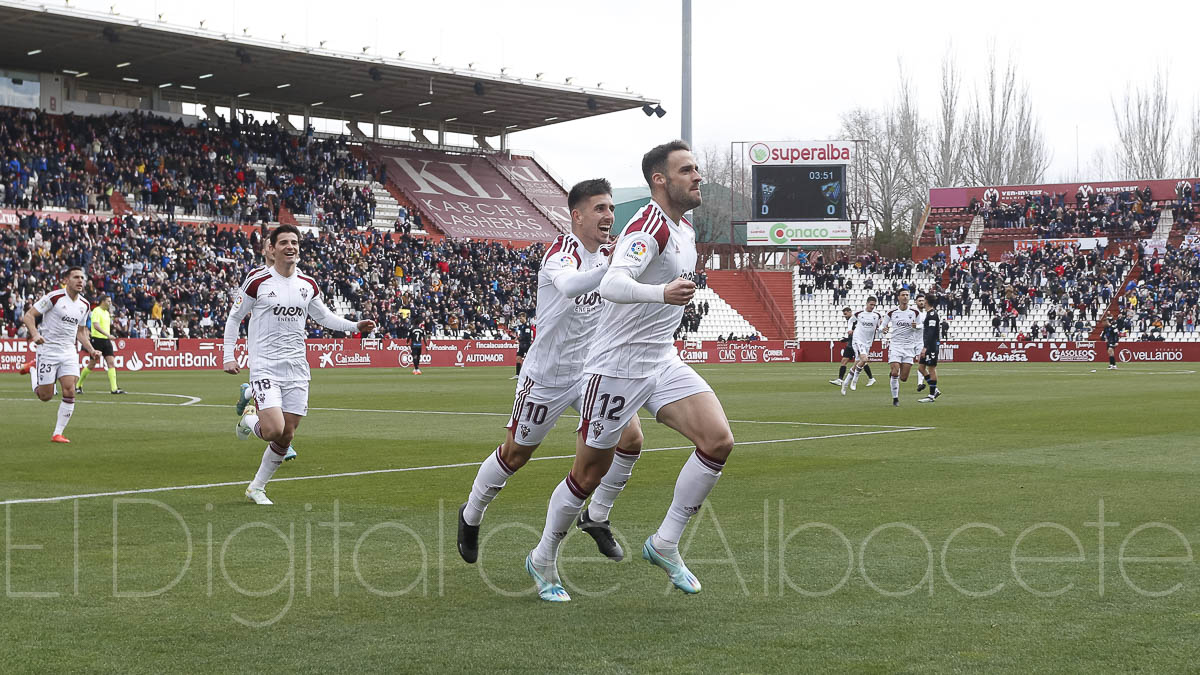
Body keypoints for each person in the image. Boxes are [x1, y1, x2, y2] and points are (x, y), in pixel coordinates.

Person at [526, 141, 735, 602]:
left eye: (696, 168)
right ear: (660, 180)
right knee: (587, 473)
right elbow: (616, 283)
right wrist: (661, 294)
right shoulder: (647, 225)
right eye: (687, 170)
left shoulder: (685, 230)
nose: (697, 176)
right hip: (615, 366)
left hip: (660, 357)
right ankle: (542, 557)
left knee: (717, 441)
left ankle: (664, 543)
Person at [457, 178, 644, 567]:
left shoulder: (609, 255)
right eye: (599, 208)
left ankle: (597, 516)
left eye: (611, 208)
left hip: (593, 371)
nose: (608, 215)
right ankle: (471, 514)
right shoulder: (562, 252)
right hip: (548, 375)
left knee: (631, 438)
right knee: (516, 454)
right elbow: (572, 285)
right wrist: (609, 268)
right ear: (576, 216)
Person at [222, 224, 376, 505]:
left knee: (287, 434)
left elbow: (325, 317)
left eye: (294, 242)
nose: (290, 246)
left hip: (296, 368)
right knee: (273, 429)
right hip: (265, 366)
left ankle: (257, 487)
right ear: (273, 248)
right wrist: (228, 356)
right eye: (284, 242)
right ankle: (249, 417)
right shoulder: (257, 281)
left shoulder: (308, 285)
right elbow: (234, 319)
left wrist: (355, 325)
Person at [21, 267, 101, 443]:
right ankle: (33, 369)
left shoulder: (85, 305)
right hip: (48, 350)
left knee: (69, 390)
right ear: (67, 279)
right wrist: (35, 335)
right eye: (76, 277)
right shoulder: (54, 297)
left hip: (69, 351)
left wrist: (91, 349)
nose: (80, 281)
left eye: (82, 277)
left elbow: (80, 332)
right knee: (46, 396)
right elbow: (29, 316)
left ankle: (58, 433)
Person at [880, 289, 922, 406]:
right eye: (903, 295)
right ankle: (895, 399)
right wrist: (883, 329)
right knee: (895, 372)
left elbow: (921, 326)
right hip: (896, 345)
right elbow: (882, 326)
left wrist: (916, 326)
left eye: (907, 295)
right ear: (898, 297)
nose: (905, 297)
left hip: (909, 347)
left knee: (903, 378)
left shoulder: (915, 312)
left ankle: (894, 373)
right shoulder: (892, 312)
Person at [77, 294, 125, 395]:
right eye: (108, 301)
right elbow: (96, 326)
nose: (110, 303)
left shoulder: (107, 313)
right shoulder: (96, 311)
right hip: (97, 340)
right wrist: (108, 335)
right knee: (92, 364)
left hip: (106, 341)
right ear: (102, 301)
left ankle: (114, 388)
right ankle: (78, 385)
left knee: (111, 362)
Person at [840, 296, 882, 395]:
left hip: (868, 341)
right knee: (864, 359)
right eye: (871, 304)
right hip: (858, 339)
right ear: (867, 304)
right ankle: (854, 381)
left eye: (874, 305)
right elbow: (850, 320)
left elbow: (880, 327)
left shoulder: (877, 315)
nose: (872, 307)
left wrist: (883, 330)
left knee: (858, 363)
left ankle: (845, 383)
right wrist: (849, 329)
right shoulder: (859, 314)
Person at [917, 293, 943, 403]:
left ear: (926, 301)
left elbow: (931, 332)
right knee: (921, 368)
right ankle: (935, 389)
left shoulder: (932, 314)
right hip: (928, 345)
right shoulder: (928, 314)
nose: (922, 302)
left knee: (931, 368)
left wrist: (925, 347)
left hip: (931, 346)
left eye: (924, 300)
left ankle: (931, 396)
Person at [829, 306, 855, 386]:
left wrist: (846, 340)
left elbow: (857, 333)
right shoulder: (850, 322)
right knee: (844, 361)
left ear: (850, 312)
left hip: (856, 344)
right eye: (844, 315)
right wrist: (846, 339)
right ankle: (840, 379)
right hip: (850, 344)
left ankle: (871, 378)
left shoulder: (855, 321)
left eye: (846, 314)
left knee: (862, 362)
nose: (845, 316)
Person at [510, 314, 533, 380]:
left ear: (524, 317)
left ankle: (528, 374)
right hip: (521, 344)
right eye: (519, 318)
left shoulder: (527, 325)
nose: (520, 319)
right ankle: (517, 374)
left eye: (521, 318)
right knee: (518, 358)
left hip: (526, 344)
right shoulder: (521, 326)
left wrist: (519, 339)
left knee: (527, 360)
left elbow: (527, 336)